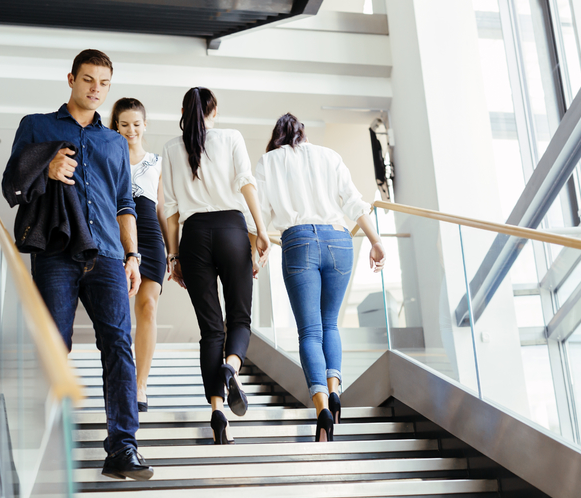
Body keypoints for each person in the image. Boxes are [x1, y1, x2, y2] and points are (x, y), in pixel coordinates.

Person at [1, 50, 153, 480]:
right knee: (54, 347)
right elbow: (12, 182)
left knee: (119, 348)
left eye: (104, 83)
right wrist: (45, 167)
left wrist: (133, 255)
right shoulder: (37, 126)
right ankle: (43, 445)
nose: (96, 89)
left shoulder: (114, 142)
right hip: (56, 253)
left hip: (107, 255)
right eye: (88, 80)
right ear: (71, 78)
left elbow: (126, 204)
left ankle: (123, 448)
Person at [256, 113, 385, 443]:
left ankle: (322, 408)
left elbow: (259, 213)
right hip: (341, 240)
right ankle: (335, 388)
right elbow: (355, 202)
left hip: (298, 240)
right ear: (303, 133)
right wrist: (375, 241)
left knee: (310, 332)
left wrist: (257, 244)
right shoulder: (329, 156)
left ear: (277, 137)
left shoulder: (269, 161)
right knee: (330, 325)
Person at [162, 87, 270, 445]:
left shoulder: (170, 148)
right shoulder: (230, 137)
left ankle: (217, 411)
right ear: (215, 110)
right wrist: (261, 232)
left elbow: (170, 209)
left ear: (183, 110)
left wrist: (173, 255)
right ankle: (233, 367)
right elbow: (246, 183)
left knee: (211, 330)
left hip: (193, 235)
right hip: (231, 230)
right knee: (239, 318)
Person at [110, 98, 167, 412]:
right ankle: (121, 378)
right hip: (116, 234)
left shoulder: (158, 161)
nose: (130, 130)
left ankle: (140, 385)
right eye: (124, 124)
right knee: (118, 313)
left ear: (145, 125)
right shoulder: (108, 156)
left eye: (136, 123)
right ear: (115, 126)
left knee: (147, 307)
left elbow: (162, 209)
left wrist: (173, 252)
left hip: (149, 234)